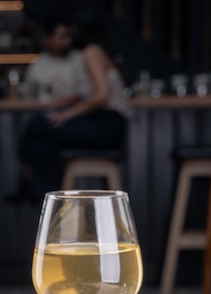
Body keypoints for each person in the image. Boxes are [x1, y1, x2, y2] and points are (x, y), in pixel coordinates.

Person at [13, 13, 132, 201]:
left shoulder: (91, 51)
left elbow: (102, 95)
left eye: (70, 32)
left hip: (108, 125)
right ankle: (49, 197)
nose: (69, 37)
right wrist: (74, 99)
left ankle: (30, 178)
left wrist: (68, 114)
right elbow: (94, 92)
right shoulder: (94, 52)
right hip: (102, 122)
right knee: (42, 146)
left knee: (38, 125)